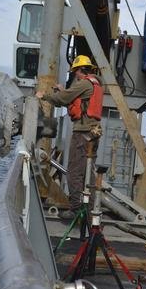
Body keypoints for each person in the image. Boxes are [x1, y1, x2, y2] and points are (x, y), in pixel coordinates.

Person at [35, 55, 103, 220]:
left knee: (75, 171)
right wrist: (62, 92)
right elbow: (73, 100)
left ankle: (75, 209)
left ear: (80, 70)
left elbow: (63, 99)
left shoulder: (84, 83)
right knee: (88, 172)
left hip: (83, 133)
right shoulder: (95, 84)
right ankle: (90, 210)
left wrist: (44, 95)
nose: (75, 75)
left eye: (75, 72)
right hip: (93, 132)